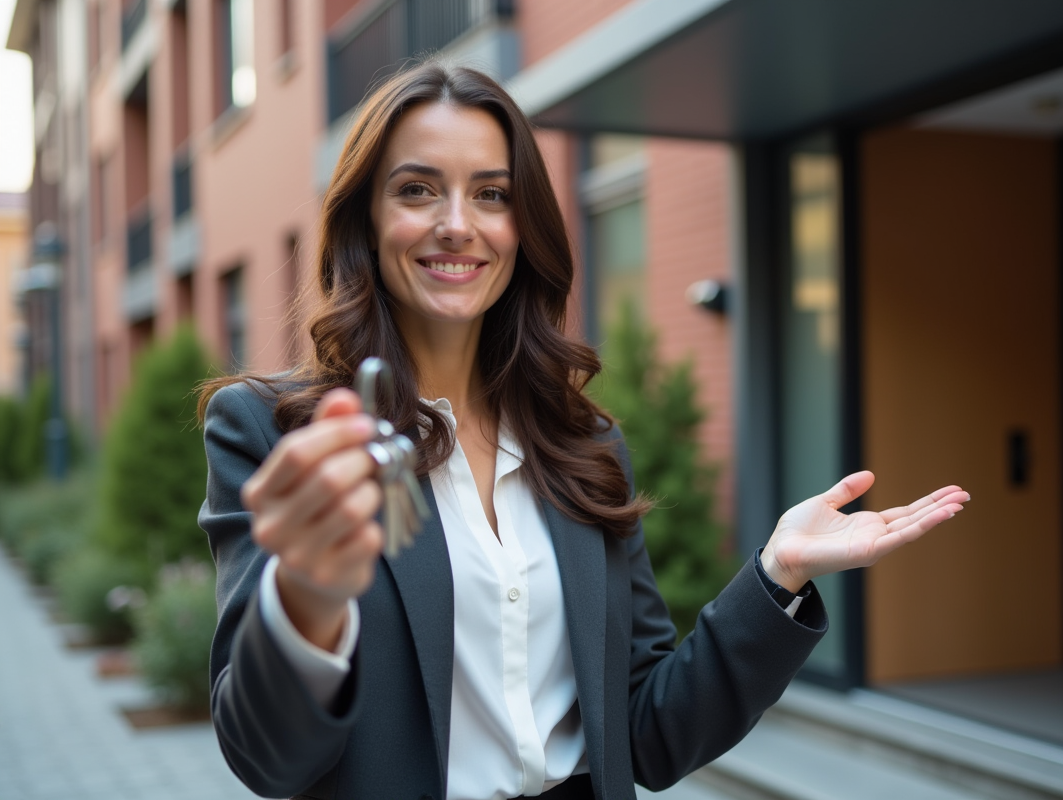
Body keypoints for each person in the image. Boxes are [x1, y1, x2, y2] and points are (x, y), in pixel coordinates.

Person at [197, 62, 969, 800]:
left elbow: (649, 736)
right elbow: (269, 761)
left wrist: (777, 573)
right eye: (417, 189)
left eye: (491, 193)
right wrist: (306, 595)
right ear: (366, 214)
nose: (457, 224)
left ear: (523, 223)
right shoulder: (278, 434)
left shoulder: (581, 442)